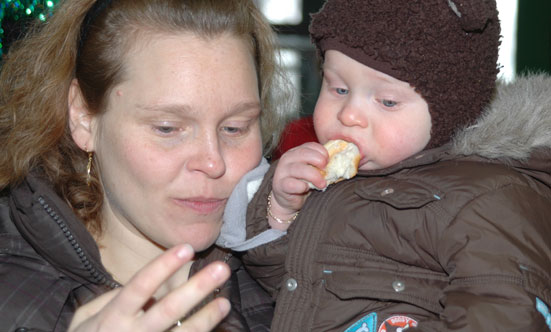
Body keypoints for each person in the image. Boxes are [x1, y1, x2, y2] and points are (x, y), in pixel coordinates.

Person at [231, 0, 551, 331]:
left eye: (387, 101)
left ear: (450, 110)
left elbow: (507, 314)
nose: (348, 114)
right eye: (339, 88)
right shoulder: (338, 180)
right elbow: (288, 290)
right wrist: (282, 211)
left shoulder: (486, 199)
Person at [0, 0, 295, 331]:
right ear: (84, 118)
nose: (213, 162)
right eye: (167, 128)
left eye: (235, 128)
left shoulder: (304, 279)